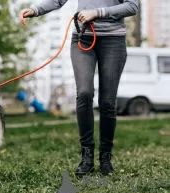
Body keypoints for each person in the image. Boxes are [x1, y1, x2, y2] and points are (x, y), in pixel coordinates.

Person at [19, 0, 139, 176]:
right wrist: (35, 10)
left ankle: (105, 158)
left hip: (113, 41)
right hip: (83, 36)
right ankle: (87, 157)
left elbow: (132, 6)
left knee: (107, 102)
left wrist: (97, 12)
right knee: (84, 93)